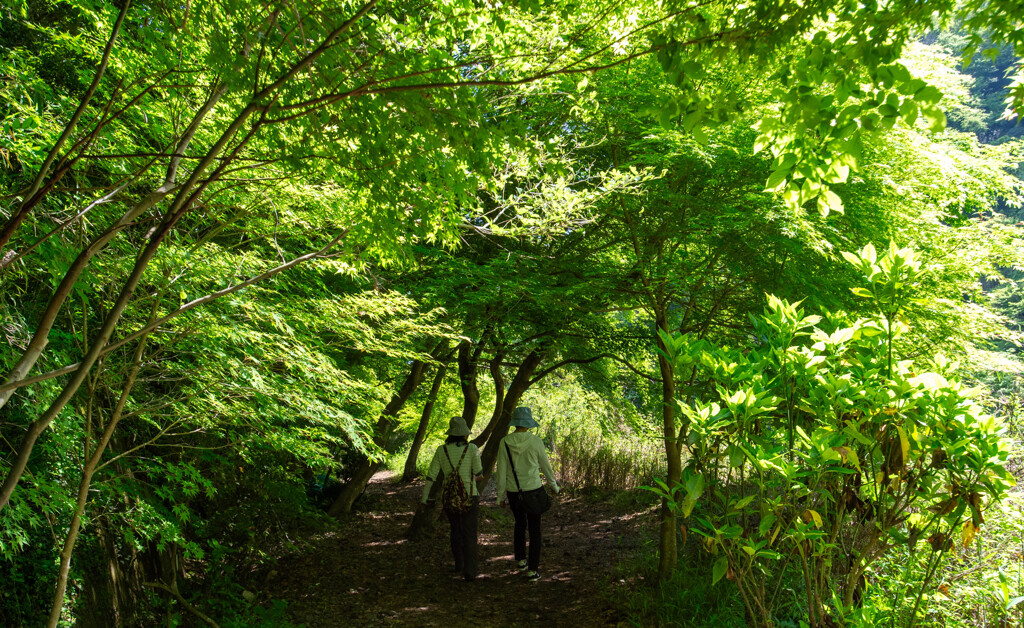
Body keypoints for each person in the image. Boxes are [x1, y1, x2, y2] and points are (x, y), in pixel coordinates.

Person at [495, 406, 559, 582]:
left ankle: (521, 560)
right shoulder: (535, 441)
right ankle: (532, 570)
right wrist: (553, 486)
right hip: (533, 490)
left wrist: (500, 496)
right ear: (529, 424)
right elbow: (546, 466)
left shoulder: (504, 442)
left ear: (515, 423)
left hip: (513, 491)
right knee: (535, 529)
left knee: (519, 524)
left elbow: (501, 470)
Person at [422, 416, 483, 581]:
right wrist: (470, 478)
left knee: (455, 530)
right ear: (464, 434)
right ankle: (470, 572)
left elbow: (431, 475)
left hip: (449, 497)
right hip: (470, 496)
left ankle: (459, 564)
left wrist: (425, 497)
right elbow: (479, 473)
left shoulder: (441, 450)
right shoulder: (471, 449)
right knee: (469, 533)